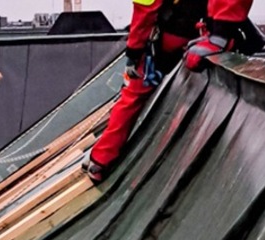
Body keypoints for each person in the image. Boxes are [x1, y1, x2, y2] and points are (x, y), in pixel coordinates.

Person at [83, 0, 206, 182]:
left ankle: (100, 160)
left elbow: (144, 12)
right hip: (199, 39)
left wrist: (133, 52)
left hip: (168, 38)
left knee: (132, 96)